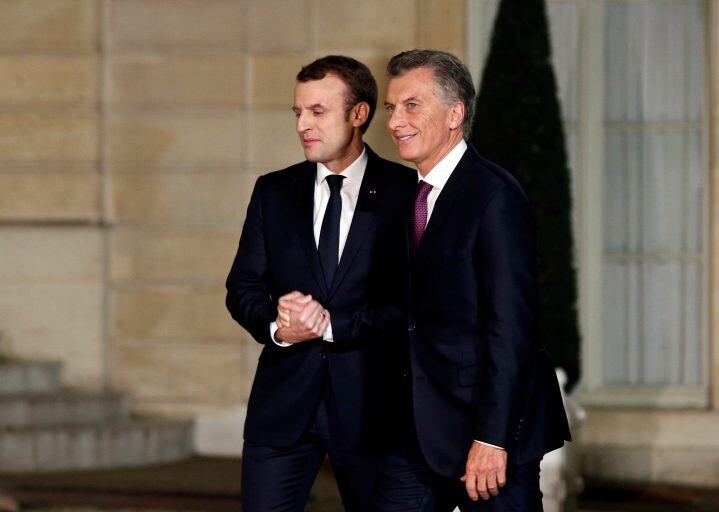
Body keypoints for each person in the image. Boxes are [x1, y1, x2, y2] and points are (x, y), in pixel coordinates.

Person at [375, 49, 571, 512]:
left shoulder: (494, 196)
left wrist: (493, 437)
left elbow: (512, 330)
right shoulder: (406, 197)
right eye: (390, 107)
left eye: (412, 105)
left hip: (488, 434)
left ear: (455, 114)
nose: (395, 120)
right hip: (415, 428)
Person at [226, 55, 415, 512]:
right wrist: (277, 327)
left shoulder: (405, 192)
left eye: (318, 112)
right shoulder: (272, 191)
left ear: (358, 114)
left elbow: (412, 302)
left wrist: (333, 325)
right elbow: (243, 287)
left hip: (373, 408)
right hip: (283, 406)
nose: (303, 126)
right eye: (298, 112)